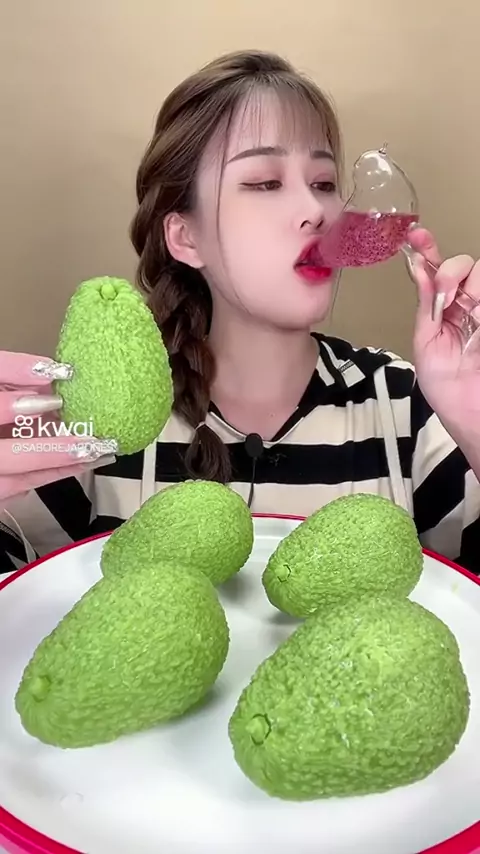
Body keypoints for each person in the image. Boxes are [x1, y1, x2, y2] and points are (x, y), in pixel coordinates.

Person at [1, 49, 479, 575]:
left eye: (324, 184)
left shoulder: (404, 401)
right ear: (186, 237)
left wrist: (475, 420)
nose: (317, 211)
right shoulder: (104, 414)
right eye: (266, 183)